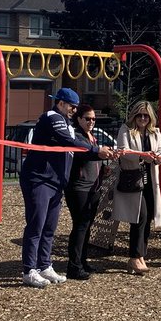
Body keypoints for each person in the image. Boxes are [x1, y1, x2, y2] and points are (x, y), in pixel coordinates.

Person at [19, 87, 115, 289]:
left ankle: (45, 265)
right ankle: (29, 270)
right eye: (71, 106)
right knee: (36, 225)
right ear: (60, 103)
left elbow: (78, 147)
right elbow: (69, 142)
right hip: (40, 178)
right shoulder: (52, 117)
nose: (73, 110)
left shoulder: (67, 123)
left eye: (75, 107)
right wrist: (97, 150)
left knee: (49, 227)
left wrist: (102, 153)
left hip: (56, 182)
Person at [112, 100, 161, 275]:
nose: (142, 118)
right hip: (133, 179)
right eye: (139, 115)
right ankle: (134, 256)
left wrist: (159, 157)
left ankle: (141, 254)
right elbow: (124, 152)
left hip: (150, 180)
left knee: (148, 216)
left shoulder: (155, 132)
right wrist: (144, 157)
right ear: (134, 116)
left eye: (146, 115)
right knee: (139, 216)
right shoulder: (126, 130)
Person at [64, 103, 107, 281]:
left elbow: (96, 157)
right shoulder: (76, 136)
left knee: (87, 225)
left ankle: (82, 260)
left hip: (93, 186)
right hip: (79, 187)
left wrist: (104, 168)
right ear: (79, 118)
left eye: (94, 119)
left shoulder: (91, 136)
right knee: (80, 226)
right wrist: (100, 154)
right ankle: (74, 266)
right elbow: (85, 154)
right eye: (87, 119)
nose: (91, 122)